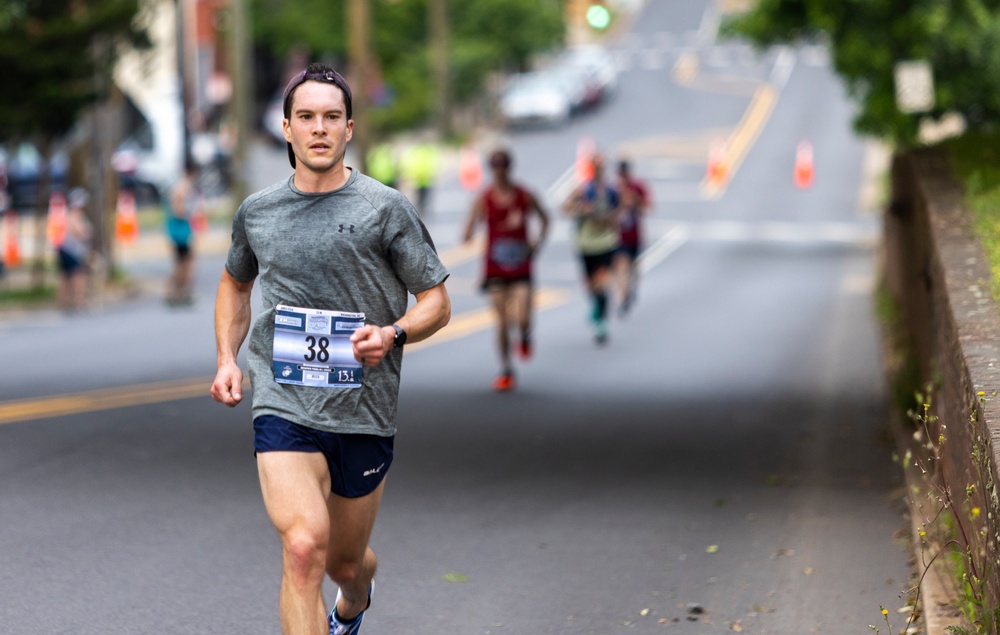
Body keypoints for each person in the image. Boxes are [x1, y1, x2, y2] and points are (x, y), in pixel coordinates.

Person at [210, 63, 450, 635]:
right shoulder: (259, 211)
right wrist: (227, 357)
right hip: (283, 400)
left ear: (349, 129)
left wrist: (392, 333)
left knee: (344, 562)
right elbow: (235, 283)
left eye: (332, 117)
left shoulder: (384, 208)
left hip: (362, 410)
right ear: (287, 129)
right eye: (307, 117)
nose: (320, 128)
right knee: (302, 548)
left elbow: (436, 302)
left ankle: (357, 597)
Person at [461, 149, 550, 392]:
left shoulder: (524, 196)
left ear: (510, 168)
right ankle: (506, 369)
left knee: (522, 316)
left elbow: (545, 219)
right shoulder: (484, 198)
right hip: (495, 268)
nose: (499, 172)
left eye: (503, 167)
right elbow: (467, 232)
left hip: (521, 266)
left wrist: (537, 244)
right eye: (495, 167)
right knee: (501, 322)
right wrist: (469, 233)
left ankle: (525, 335)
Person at [562, 153, 620, 344]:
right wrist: (582, 209)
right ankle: (596, 304)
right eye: (596, 165)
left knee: (602, 281)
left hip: (606, 241)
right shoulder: (583, 189)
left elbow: (622, 210)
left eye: (602, 165)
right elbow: (566, 208)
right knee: (590, 284)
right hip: (586, 242)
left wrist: (612, 219)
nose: (599, 168)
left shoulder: (612, 190)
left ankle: (602, 321)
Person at [614, 158, 651, 316]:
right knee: (621, 266)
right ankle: (623, 297)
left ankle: (633, 287)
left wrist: (635, 201)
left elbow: (647, 207)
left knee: (634, 266)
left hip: (634, 234)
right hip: (617, 236)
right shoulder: (613, 189)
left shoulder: (637, 187)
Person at [165, 161, 203, 306]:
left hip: (180, 228)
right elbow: (179, 210)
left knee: (183, 261)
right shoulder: (182, 188)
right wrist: (193, 211)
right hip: (180, 229)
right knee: (186, 261)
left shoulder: (180, 186)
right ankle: (179, 291)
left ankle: (178, 292)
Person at [56, 187, 93, 311]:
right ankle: (78, 300)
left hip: (65, 248)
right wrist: (87, 233)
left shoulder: (68, 212)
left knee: (66, 275)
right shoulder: (74, 213)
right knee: (79, 275)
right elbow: (78, 231)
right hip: (72, 249)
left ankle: (64, 301)